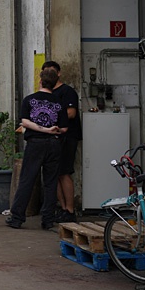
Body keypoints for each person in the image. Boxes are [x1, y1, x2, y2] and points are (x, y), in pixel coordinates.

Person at [5, 68, 67, 229]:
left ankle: (17, 218)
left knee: (27, 179)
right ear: (55, 84)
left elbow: (25, 122)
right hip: (53, 144)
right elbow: (64, 128)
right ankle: (48, 220)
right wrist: (51, 130)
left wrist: (42, 129)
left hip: (35, 143)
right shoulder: (59, 103)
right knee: (51, 182)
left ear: (40, 81)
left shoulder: (29, 100)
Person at [42, 60, 80, 222]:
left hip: (67, 137)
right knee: (54, 174)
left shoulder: (67, 92)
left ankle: (70, 210)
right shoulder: (46, 93)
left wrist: (51, 118)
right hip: (51, 138)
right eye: (46, 72)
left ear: (58, 73)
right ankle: (63, 208)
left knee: (64, 172)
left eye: (51, 72)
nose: (49, 75)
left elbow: (71, 113)